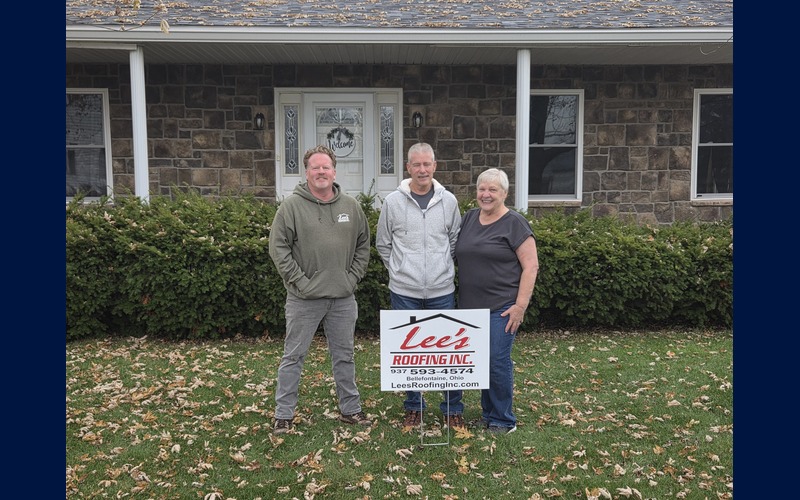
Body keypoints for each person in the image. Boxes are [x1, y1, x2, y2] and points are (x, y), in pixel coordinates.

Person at [268, 145, 373, 435]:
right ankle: (283, 414)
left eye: (326, 167)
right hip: (304, 299)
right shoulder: (291, 207)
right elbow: (278, 248)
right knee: (294, 356)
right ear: (307, 172)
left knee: (345, 355)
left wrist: (352, 278)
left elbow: (364, 244)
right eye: (315, 167)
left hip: (342, 297)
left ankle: (350, 410)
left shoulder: (351, 207)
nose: (321, 172)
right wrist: (300, 282)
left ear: (334, 171)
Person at [376, 142, 465, 432]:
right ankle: (414, 407)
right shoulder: (392, 202)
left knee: (448, 354)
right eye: (417, 164)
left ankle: (453, 409)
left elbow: (455, 241)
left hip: (441, 291)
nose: (422, 169)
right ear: (408, 168)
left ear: (435, 166)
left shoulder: (448, 201)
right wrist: (400, 271)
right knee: (410, 356)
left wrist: (441, 269)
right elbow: (383, 243)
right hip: (404, 292)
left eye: (427, 164)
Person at [454, 168, 539, 434]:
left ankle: (504, 419)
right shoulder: (468, 219)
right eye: (482, 189)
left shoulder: (514, 223)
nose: (486, 194)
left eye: (493, 190)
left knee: (496, 360)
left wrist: (520, 306)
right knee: (482, 361)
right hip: (470, 309)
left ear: (504, 193)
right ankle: (488, 414)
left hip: (502, 307)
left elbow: (531, 266)